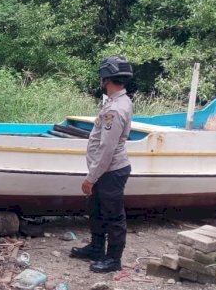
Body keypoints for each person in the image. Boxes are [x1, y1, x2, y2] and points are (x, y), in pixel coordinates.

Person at [70, 56, 133, 273]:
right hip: (104, 170)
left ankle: (113, 259)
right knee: (96, 210)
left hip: (110, 171)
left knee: (113, 215)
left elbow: (107, 148)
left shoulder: (114, 109)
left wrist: (90, 178)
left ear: (107, 79)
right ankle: (97, 248)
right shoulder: (115, 103)